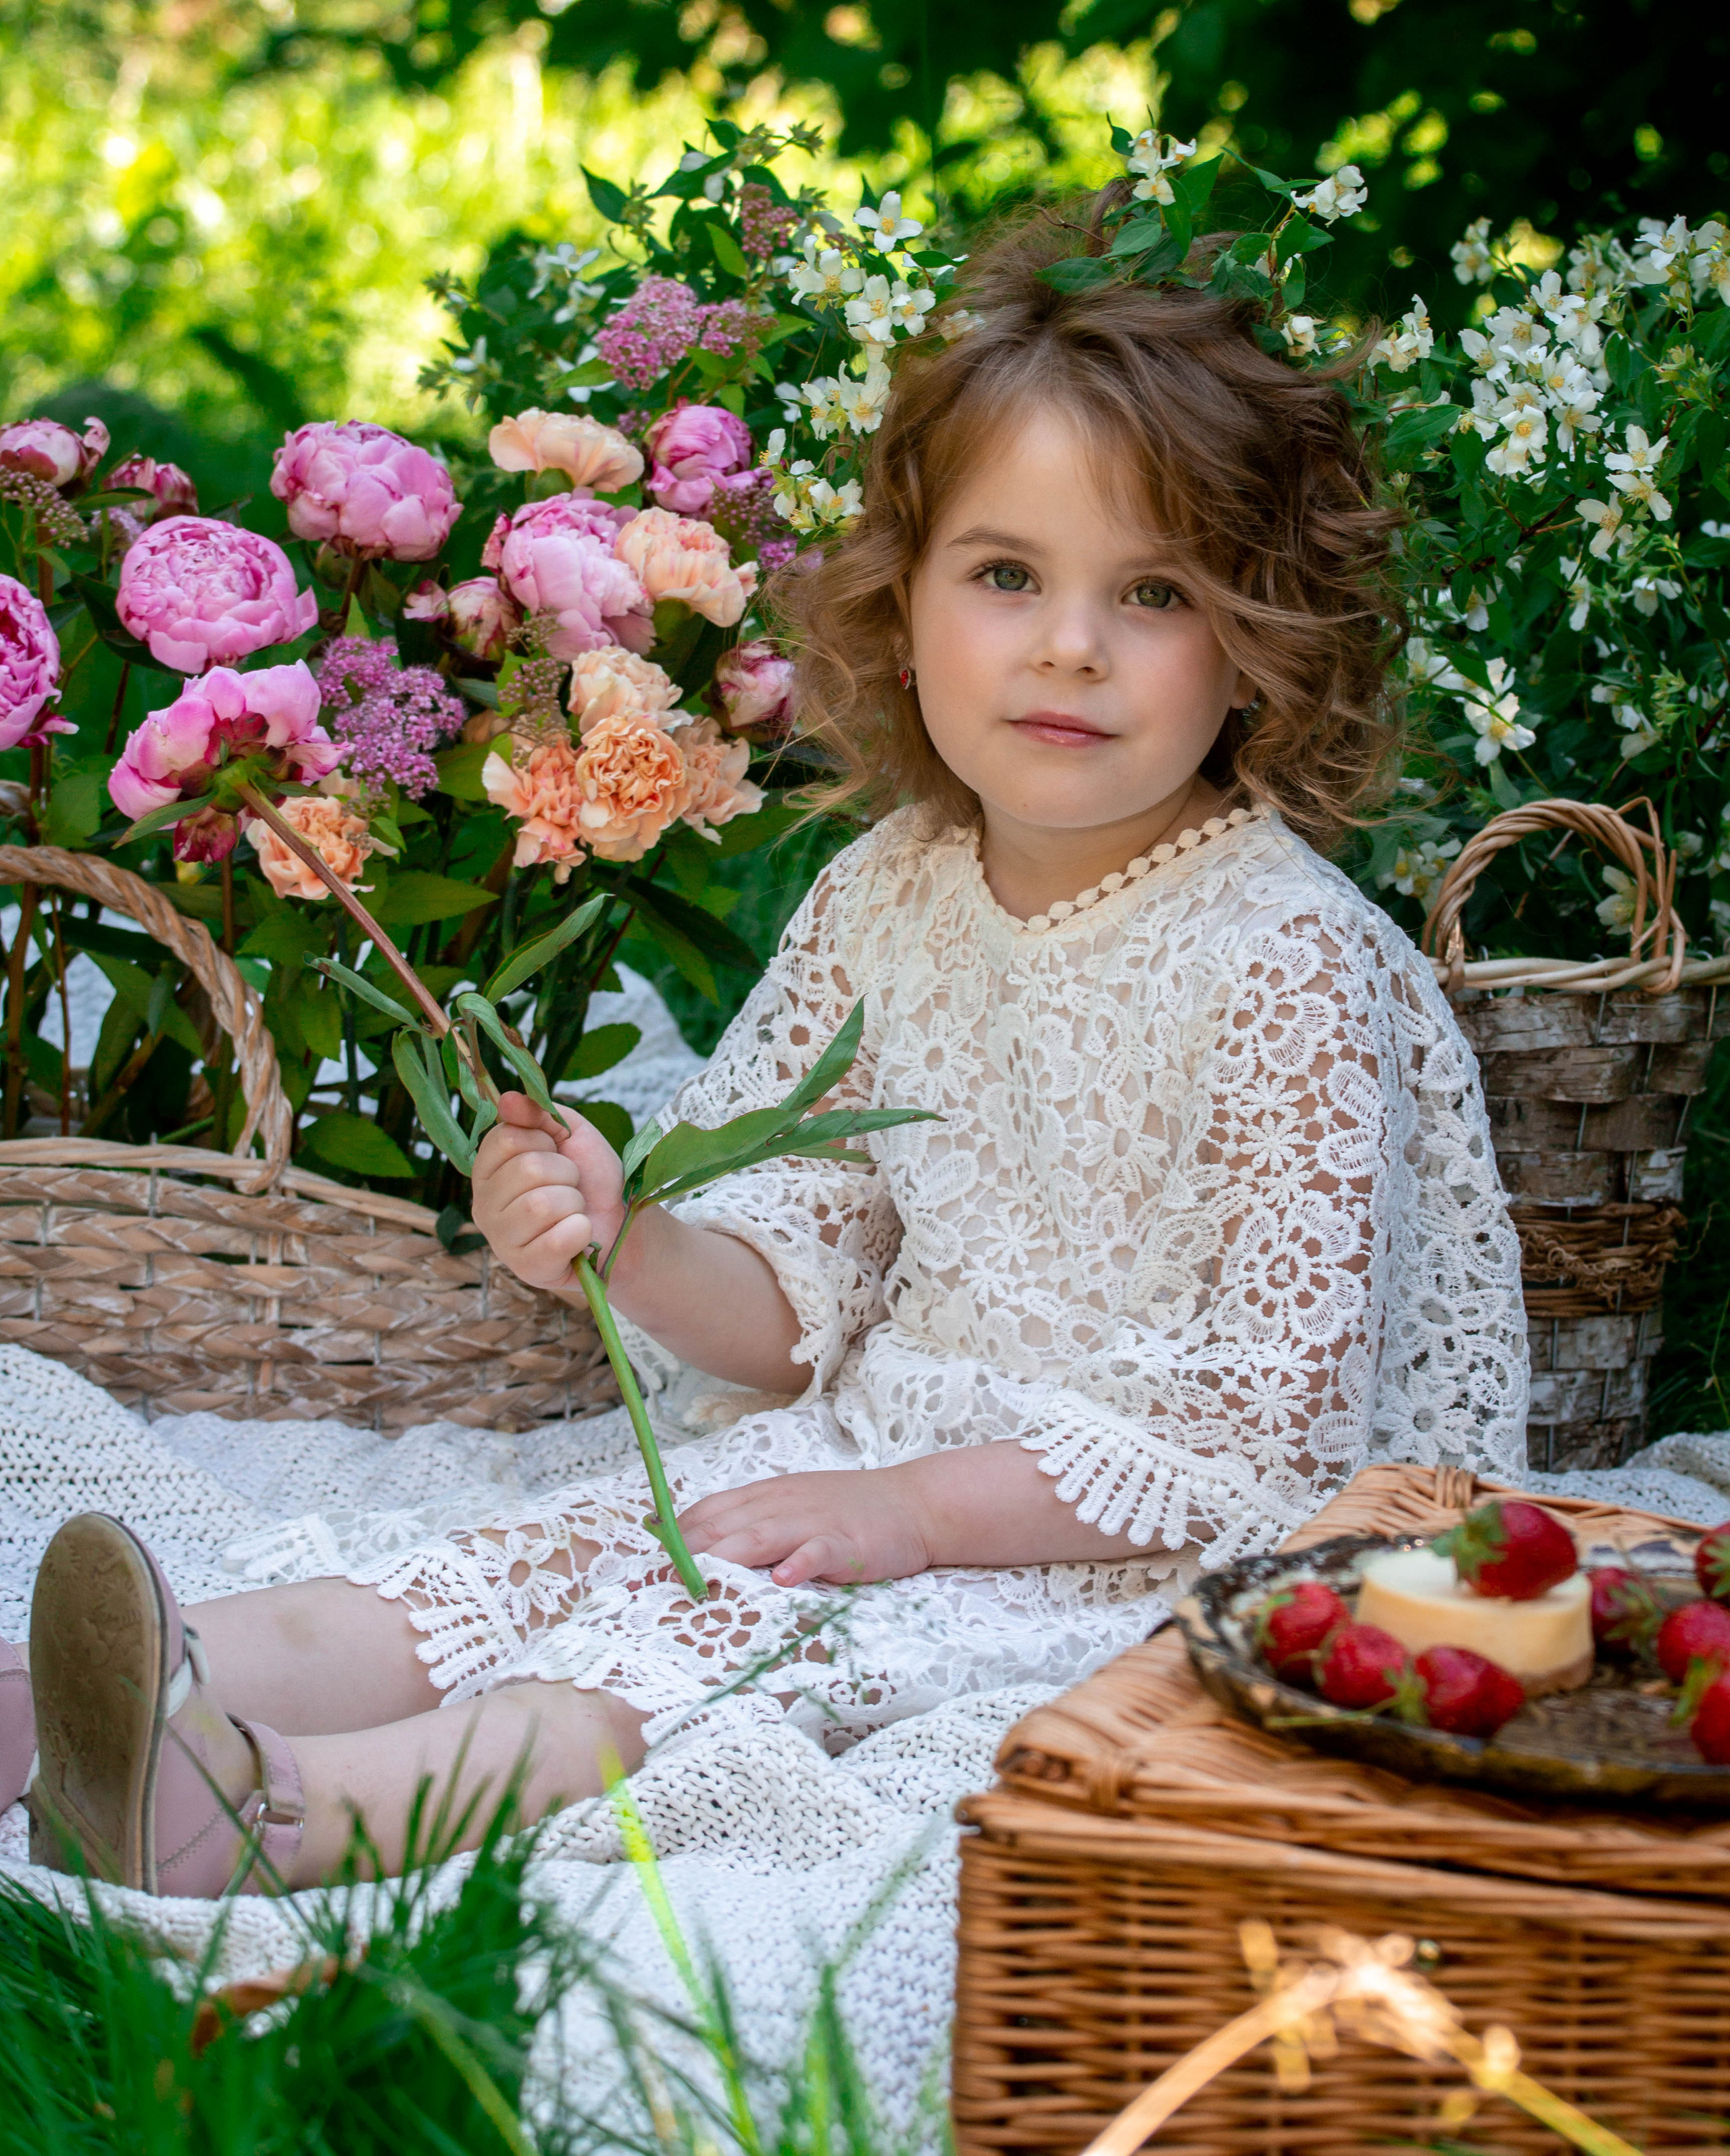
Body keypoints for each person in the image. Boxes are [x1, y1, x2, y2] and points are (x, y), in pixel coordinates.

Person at [19, 191, 1527, 1895]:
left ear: (1257, 645)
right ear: (907, 600)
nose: (1067, 645)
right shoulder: (893, 891)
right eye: (1007, 573)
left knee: (679, 1662)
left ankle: (262, 1815)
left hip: (1134, 1554)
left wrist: (908, 1520)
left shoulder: (1289, 960)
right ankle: (56, 1705)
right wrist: (630, 1234)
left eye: (1154, 591)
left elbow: (1275, 1437)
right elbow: (800, 1297)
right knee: (523, 1561)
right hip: (868, 1457)